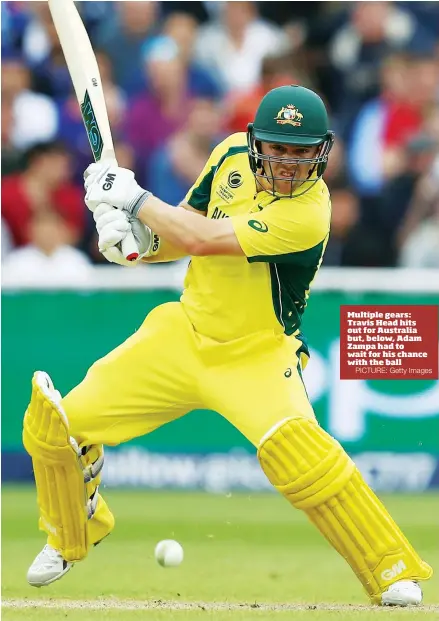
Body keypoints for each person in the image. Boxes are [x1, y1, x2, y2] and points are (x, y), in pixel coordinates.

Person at [24, 85, 432, 606]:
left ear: (321, 153)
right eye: (279, 149)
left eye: (302, 153)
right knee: (52, 425)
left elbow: (202, 240)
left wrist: (134, 200)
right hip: (182, 335)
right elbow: (183, 230)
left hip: (257, 354)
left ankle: (391, 569)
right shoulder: (227, 157)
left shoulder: (309, 213)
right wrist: (135, 243)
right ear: (255, 141)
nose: (288, 164)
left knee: (304, 460)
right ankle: (71, 531)